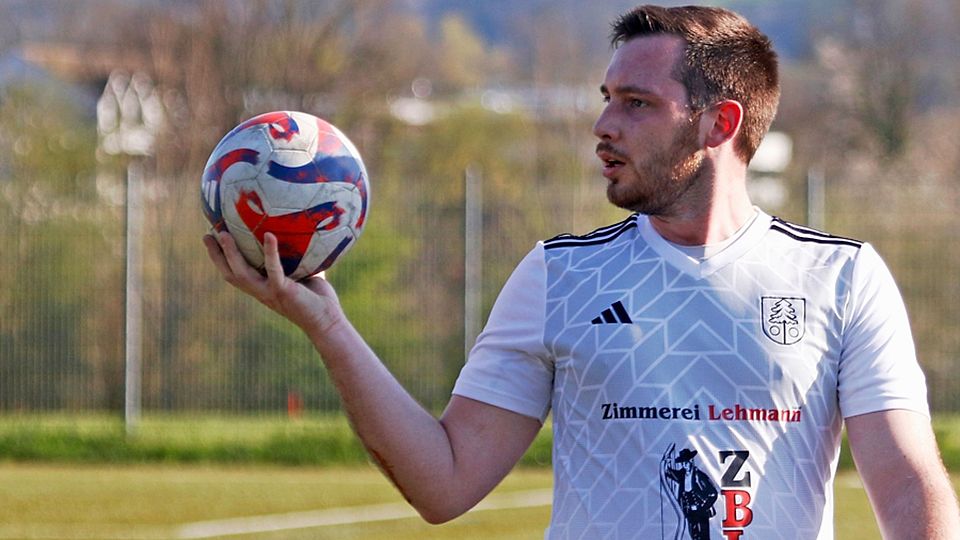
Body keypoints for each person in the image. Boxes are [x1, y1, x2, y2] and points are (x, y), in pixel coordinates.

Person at [203, 4, 960, 538]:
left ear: (717, 123)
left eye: (636, 103)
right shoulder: (558, 277)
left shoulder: (841, 278)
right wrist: (328, 327)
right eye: (606, 99)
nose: (603, 125)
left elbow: (905, 482)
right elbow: (444, 482)